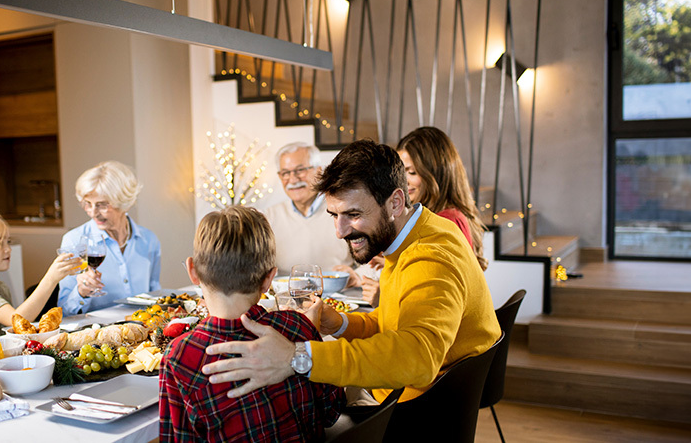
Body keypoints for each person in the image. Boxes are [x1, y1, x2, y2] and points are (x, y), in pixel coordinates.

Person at [201, 140, 501, 407]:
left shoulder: (429, 256)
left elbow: (418, 357)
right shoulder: (421, 231)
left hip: (414, 411)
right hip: (418, 393)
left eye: (353, 215)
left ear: (395, 202)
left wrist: (297, 356)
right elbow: (396, 323)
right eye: (334, 215)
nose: (339, 231)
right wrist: (341, 322)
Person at [160, 205, 344, 442]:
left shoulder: (179, 356)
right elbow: (332, 411)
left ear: (192, 271)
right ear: (269, 279)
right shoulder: (297, 325)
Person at [58, 161, 161, 316]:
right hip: (98, 332)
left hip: (143, 327)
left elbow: (155, 295)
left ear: (124, 204)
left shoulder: (148, 240)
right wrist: (81, 292)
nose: (93, 212)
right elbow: (65, 311)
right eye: (88, 204)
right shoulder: (74, 241)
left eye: (102, 205)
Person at [397, 126, 488, 270]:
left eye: (412, 172)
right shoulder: (445, 217)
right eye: (400, 172)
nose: (402, 181)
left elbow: (431, 287)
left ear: (436, 175)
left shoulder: (445, 223)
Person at [262, 142, 353, 274]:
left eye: (300, 170)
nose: (293, 179)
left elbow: (371, 261)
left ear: (319, 171)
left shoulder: (344, 211)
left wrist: (357, 275)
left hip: (338, 293)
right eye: (286, 173)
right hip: (286, 293)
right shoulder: (269, 217)